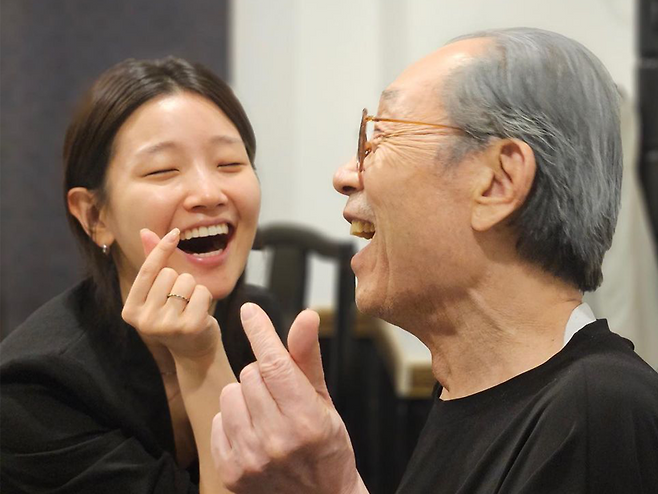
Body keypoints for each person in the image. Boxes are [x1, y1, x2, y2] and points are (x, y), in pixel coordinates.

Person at [211, 28, 658, 493]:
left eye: (380, 138)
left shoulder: (599, 415)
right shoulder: (469, 394)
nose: (345, 175)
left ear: (498, 182)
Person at [0, 57, 281, 493]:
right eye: (163, 170)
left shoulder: (258, 322)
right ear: (95, 216)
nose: (209, 193)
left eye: (229, 163)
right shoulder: (35, 393)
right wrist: (200, 359)